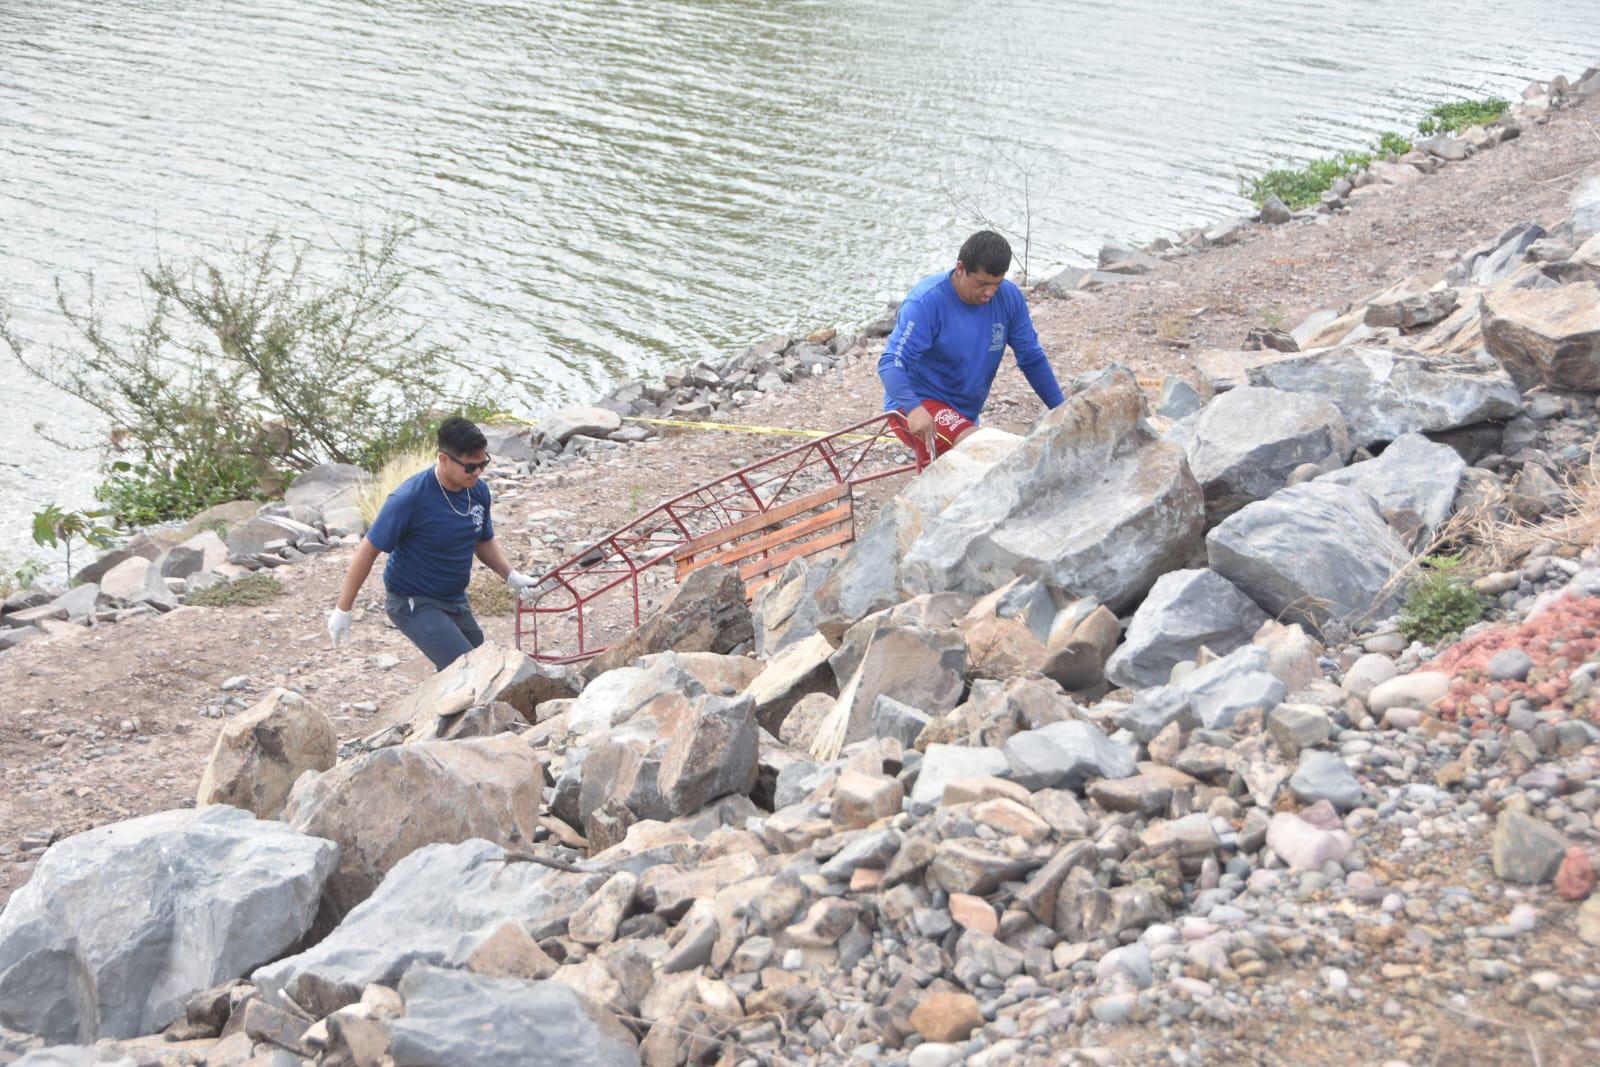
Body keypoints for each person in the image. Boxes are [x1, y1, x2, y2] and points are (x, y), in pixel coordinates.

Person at [326, 416, 540, 670]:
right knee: (466, 669)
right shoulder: (409, 498)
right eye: (470, 467)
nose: (478, 472)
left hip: (455, 598)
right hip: (413, 600)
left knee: (483, 658)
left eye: (483, 463)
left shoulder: (477, 491)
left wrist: (511, 576)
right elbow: (368, 550)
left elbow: (482, 540)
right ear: (444, 459)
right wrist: (343, 609)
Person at [878, 229, 1065, 462]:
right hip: (917, 403)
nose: (989, 292)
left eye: (996, 283)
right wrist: (913, 408)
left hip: (963, 413)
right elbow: (890, 363)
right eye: (982, 283)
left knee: (978, 454)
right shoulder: (926, 302)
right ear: (960, 269)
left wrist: (1061, 410)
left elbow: (1031, 358)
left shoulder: (1008, 298)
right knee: (983, 450)